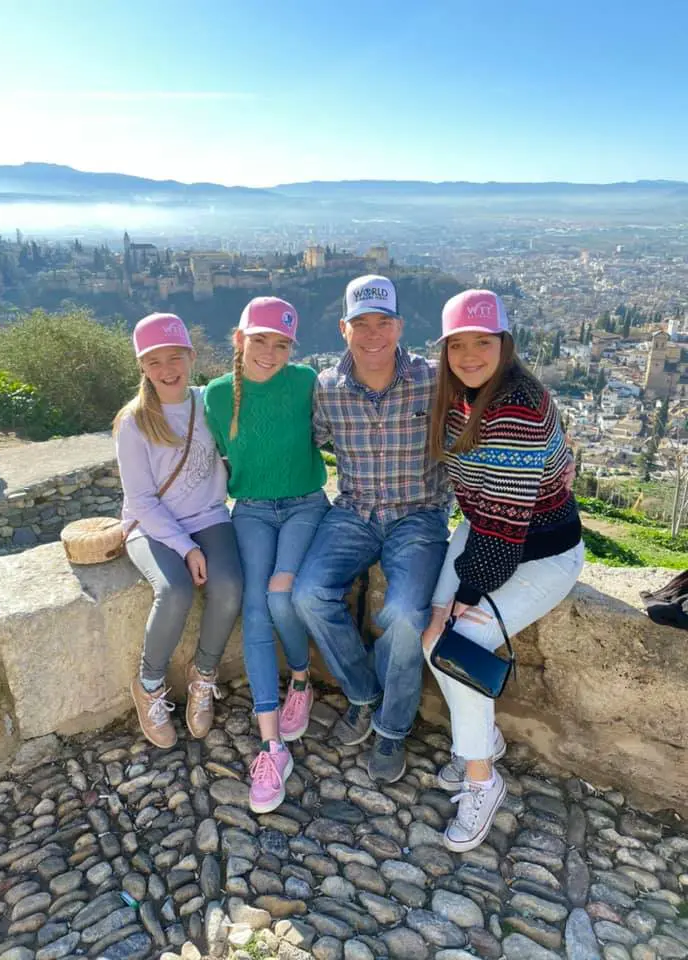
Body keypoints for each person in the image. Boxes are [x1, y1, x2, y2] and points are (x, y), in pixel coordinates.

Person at [421, 289, 584, 852]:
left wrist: (467, 592)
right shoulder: (460, 396)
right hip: (483, 529)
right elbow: (535, 479)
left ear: (503, 344)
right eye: (458, 344)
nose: (469, 355)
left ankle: (481, 780)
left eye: (481, 343)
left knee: (459, 642)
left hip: (541, 551)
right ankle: (482, 741)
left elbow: (508, 527)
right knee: (432, 638)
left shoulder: (516, 403)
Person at [293, 275, 451, 784]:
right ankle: (363, 692)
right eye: (361, 323)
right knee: (309, 594)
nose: (373, 333)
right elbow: (304, 442)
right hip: (354, 510)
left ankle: (391, 726)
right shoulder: (326, 387)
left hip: (418, 515)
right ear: (344, 328)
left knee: (406, 616)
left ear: (400, 326)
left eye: (383, 322)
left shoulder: (433, 379)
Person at [204, 297, 329, 813]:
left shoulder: (305, 383)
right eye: (260, 341)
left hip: (305, 505)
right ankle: (271, 745)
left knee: (281, 598)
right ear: (239, 340)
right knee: (254, 610)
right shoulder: (213, 396)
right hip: (251, 510)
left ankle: (300, 676)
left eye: (280, 344)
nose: (270, 352)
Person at [114, 312, 243, 749]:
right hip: (153, 525)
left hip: (208, 515)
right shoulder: (133, 422)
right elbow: (142, 500)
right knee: (175, 591)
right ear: (142, 367)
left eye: (175, 357)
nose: (167, 370)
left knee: (228, 586)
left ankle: (203, 675)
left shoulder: (209, 402)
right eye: (154, 361)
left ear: (191, 356)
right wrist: (185, 548)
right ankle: (148, 684)